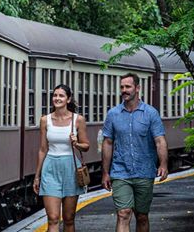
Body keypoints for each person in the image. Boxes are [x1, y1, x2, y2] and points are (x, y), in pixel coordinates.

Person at [101, 73, 168, 232]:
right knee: (123, 213)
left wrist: (164, 164)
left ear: (137, 88)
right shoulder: (113, 114)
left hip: (144, 171)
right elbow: (107, 142)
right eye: (122, 87)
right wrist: (105, 172)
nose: (124, 90)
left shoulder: (151, 113)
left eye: (128, 87)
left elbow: (160, 140)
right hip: (120, 172)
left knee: (142, 216)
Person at [33, 84, 90, 232]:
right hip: (50, 168)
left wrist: (76, 143)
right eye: (55, 95)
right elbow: (42, 149)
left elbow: (86, 146)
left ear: (68, 99)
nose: (57, 98)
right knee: (52, 218)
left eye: (61, 96)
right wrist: (37, 176)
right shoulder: (45, 120)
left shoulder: (78, 120)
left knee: (69, 219)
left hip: (71, 168)